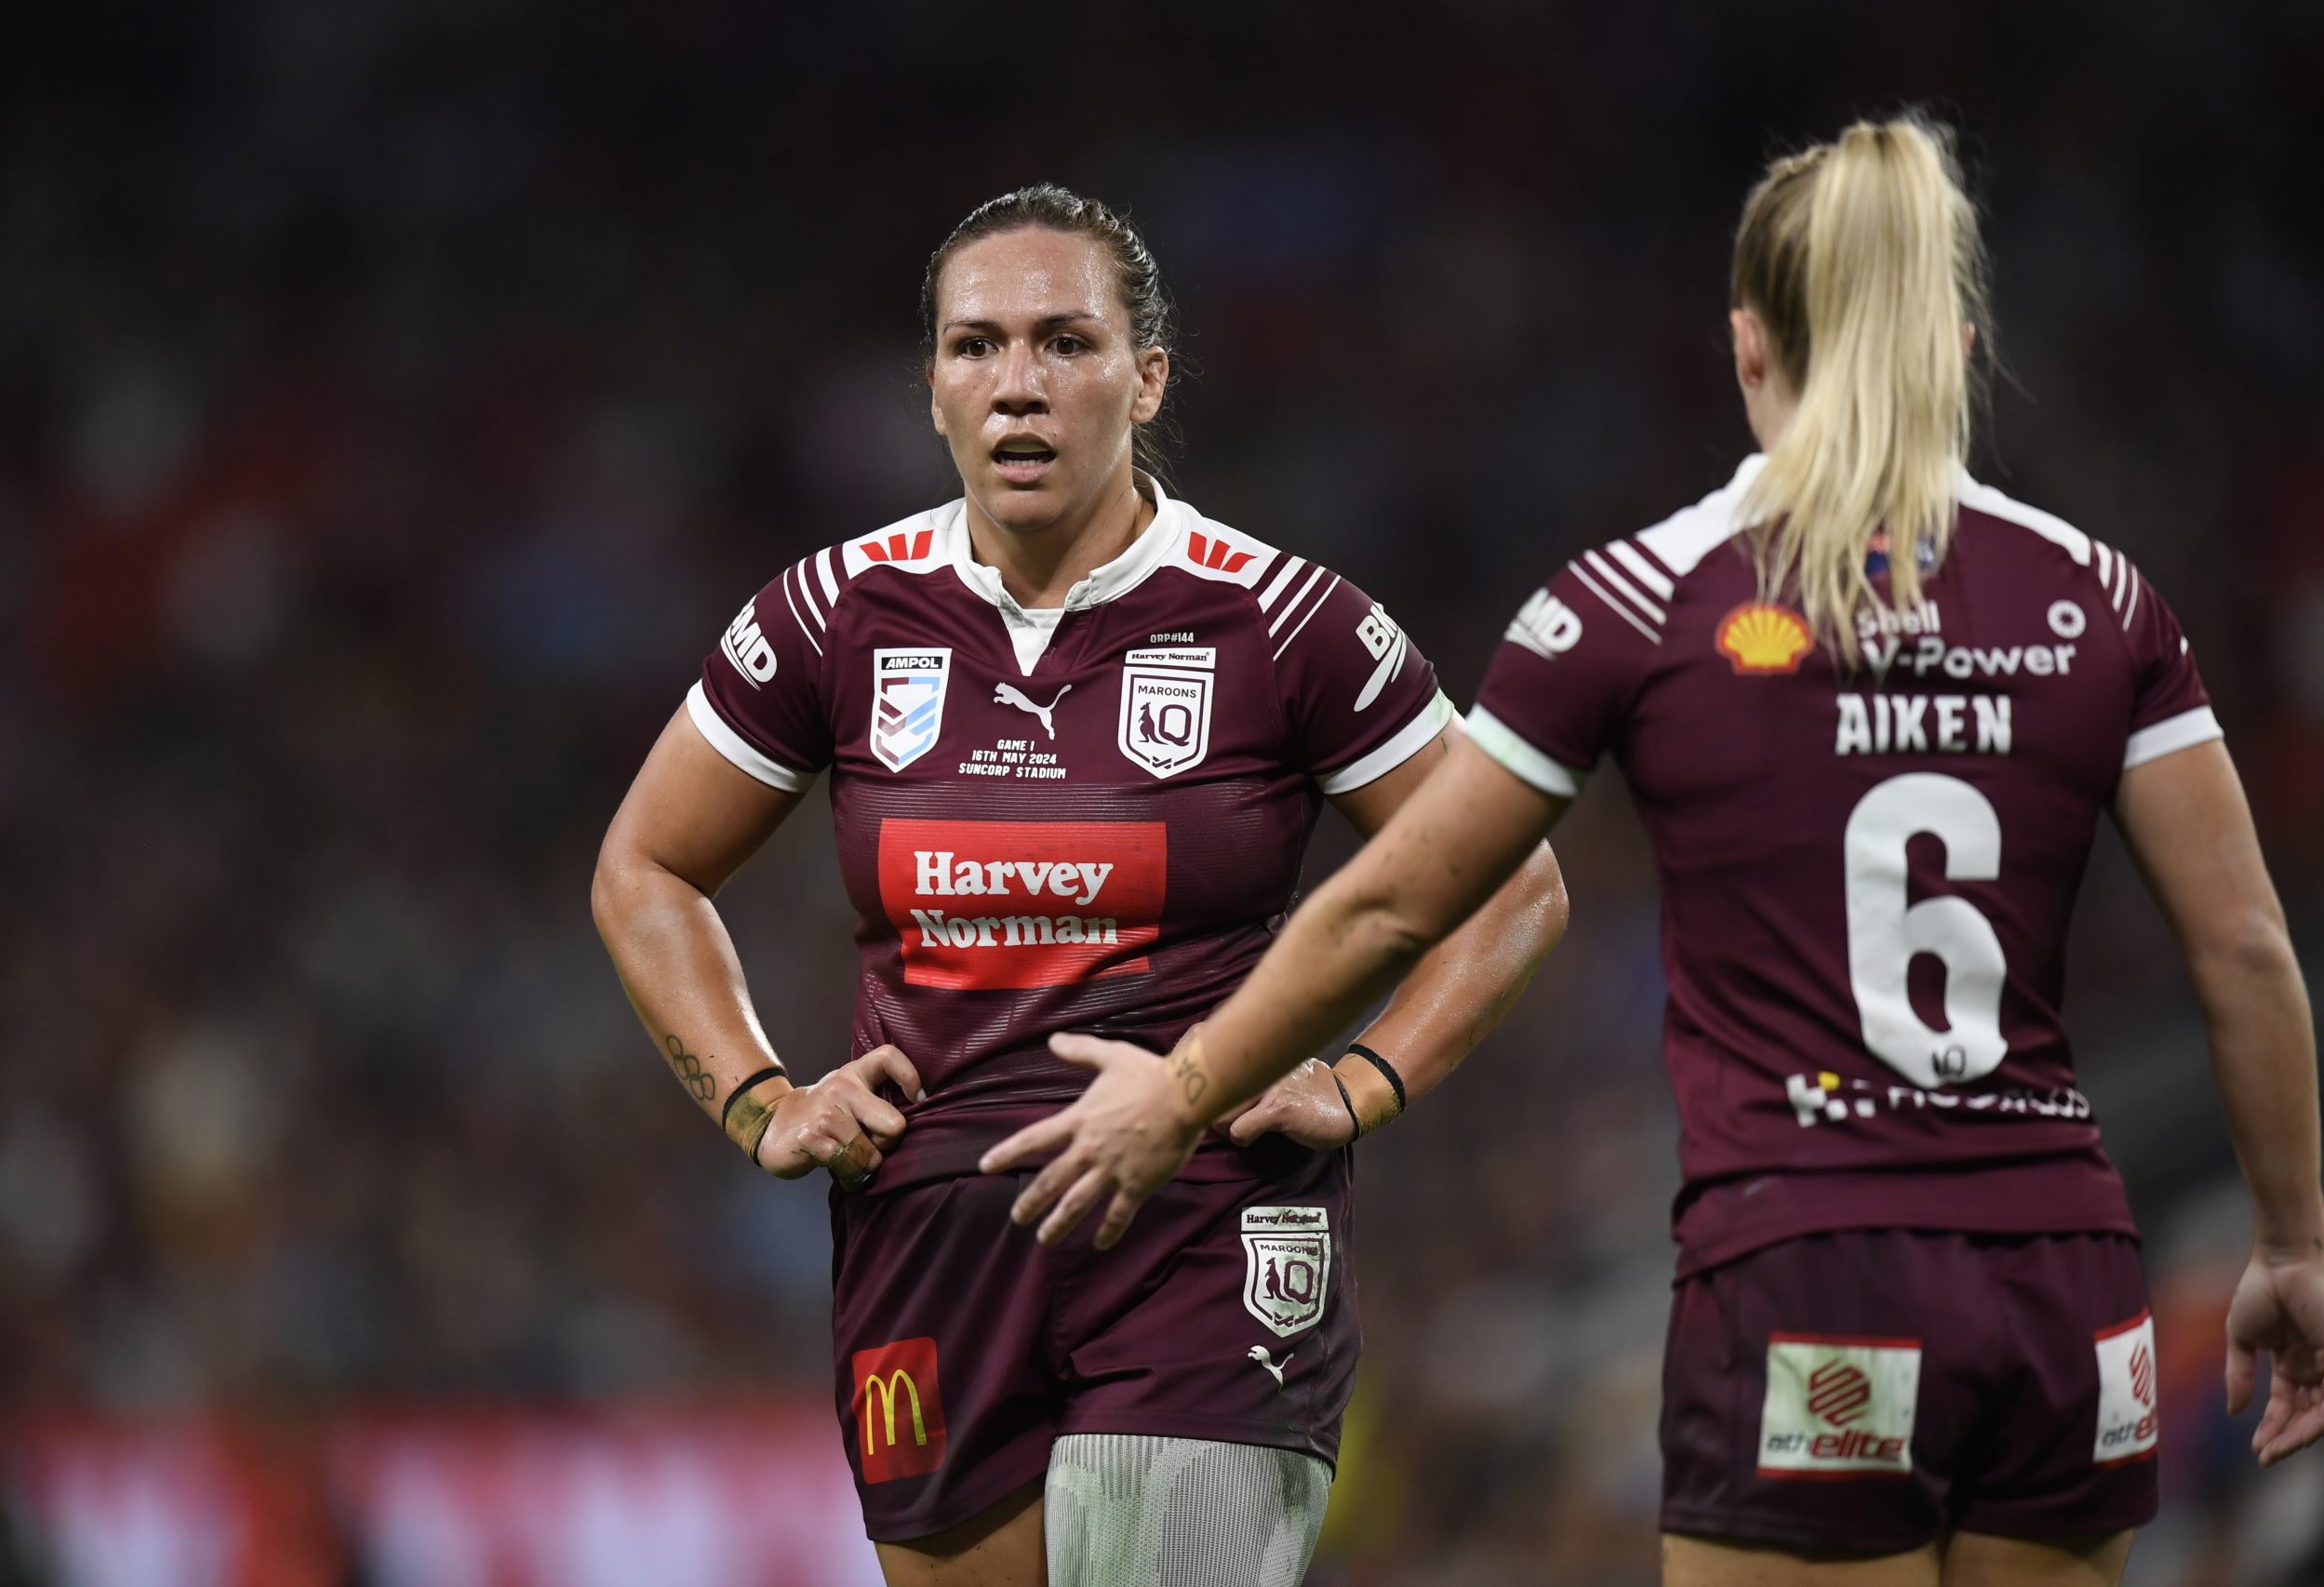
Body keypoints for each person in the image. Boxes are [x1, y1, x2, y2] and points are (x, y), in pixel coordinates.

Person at [991, 120, 2324, 1587]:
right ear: (1952, 344)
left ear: (1749, 347)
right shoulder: (2100, 598)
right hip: (2068, 1283)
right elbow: (2247, 948)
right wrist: (2295, 1244)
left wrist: (1183, 1090)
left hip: (1811, 1263)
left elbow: (1391, 899)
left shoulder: (1635, 599)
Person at [590, 183, 1569, 1587]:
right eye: (976, 347)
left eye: (1067, 342)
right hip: (930, 1226)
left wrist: (1365, 1080)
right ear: (930, 388)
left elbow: (1514, 882)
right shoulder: (835, 613)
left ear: (1147, 375)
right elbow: (645, 867)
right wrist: (758, 1095)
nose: (1018, 388)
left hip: (1200, 1218)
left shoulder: (1284, 621)